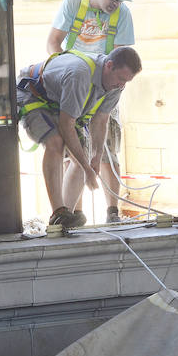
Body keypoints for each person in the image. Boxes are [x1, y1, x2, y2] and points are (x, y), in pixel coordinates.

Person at [16, 47, 142, 229]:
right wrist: (86, 166)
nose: (121, 85)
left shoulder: (116, 85)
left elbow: (101, 120)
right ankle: (58, 212)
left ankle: (65, 219)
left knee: (85, 157)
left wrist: (96, 157)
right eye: (121, 79)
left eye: (126, 82)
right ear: (109, 65)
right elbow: (66, 125)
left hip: (60, 103)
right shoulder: (80, 74)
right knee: (56, 142)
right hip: (34, 94)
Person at [46, 0, 135, 224]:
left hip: (105, 85)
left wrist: (113, 85)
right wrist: (66, 71)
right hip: (74, 86)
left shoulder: (123, 15)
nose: (115, 3)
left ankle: (112, 211)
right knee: (71, 148)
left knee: (106, 148)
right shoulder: (74, 4)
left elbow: (121, 58)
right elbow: (53, 42)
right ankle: (74, 211)